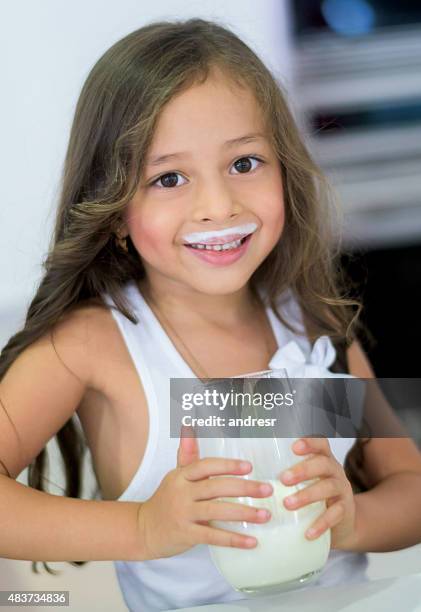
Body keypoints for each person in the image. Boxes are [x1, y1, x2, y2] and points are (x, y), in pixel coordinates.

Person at [1, 18, 421, 612]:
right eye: (168, 178)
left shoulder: (306, 323)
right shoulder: (95, 345)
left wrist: (350, 520)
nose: (218, 205)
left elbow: (411, 487)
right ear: (114, 210)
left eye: (245, 163)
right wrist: (145, 527)